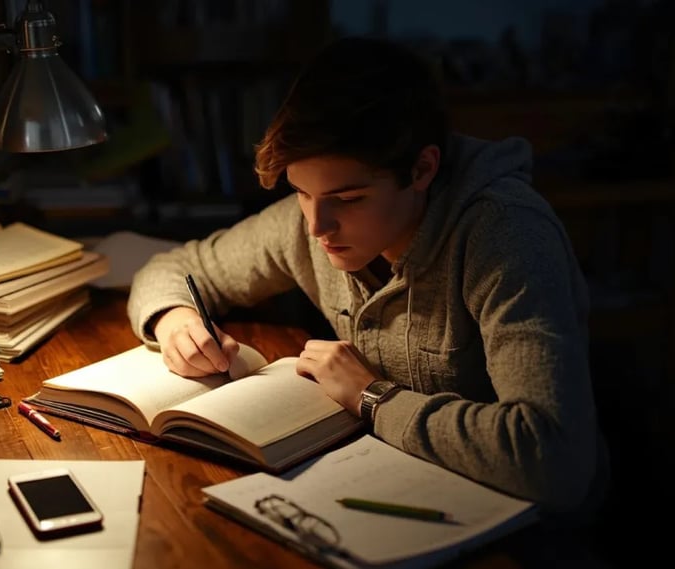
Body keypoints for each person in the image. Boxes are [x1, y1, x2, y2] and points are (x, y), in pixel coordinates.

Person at [127, 36, 609, 518]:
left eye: (349, 199)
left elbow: (554, 458)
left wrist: (372, 397)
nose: (317, 226)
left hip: (516, 529)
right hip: (384, 491)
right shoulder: (309, 223)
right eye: (301, 192)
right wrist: (176, 322)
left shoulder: (507, 236)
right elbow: (172, 268)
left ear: (422, 169)